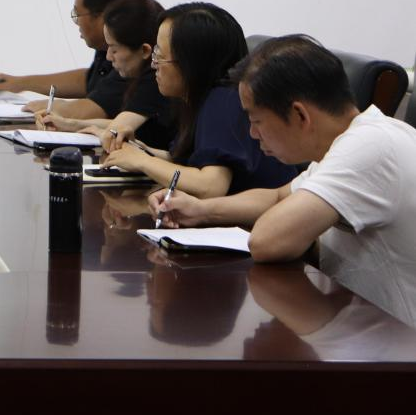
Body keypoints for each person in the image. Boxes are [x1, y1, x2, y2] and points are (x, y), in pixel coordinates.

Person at [152, 35, 416, 329]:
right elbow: (278, 197)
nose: (252, 134)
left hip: (398, 345)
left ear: (300, 114)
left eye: (256, 120)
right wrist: (200, 210)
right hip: (364, 325)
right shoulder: (352, 141)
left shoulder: (371, 147)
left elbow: (267, 242)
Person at [101, 3, 299, 197]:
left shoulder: (224, 100)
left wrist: (143, 162)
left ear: (192, 64)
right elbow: (189, 162)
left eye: (160, 56)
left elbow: (210, 185)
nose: (154, 65)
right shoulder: (202, 100)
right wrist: (140, 150)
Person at [0, 0, 141, 118]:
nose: (76, 22)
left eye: (77, 14)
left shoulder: (134, 54)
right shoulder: (109, 46)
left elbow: (95, 108)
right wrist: (19, 83)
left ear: (103, 16)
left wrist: (50, 107)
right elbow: (91, 81)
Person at [35, 0, 174, 150]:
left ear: (145, 50)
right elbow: (119, 123)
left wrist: (77, 125)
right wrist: (70, 124)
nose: (108, 57)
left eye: (114, 49)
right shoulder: (143, 76)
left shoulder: (156, 79)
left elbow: (116, 129)